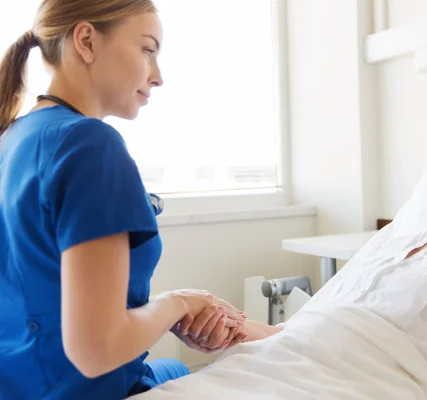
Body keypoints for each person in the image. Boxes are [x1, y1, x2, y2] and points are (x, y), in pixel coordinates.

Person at [152, 111, 427, 400]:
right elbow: (309, 333)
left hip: (357, 387)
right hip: (266, 369)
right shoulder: (394, 240)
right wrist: (234, 331)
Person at [0, 1, 246, 399]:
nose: (159, 76)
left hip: (18, 383)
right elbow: (97, 351)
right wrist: (178, 303)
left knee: (176, 366)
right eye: (148, 49)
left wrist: (172, 313)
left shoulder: (13, 138)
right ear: (86, 41)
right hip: (73, 389)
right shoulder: (89, 145)